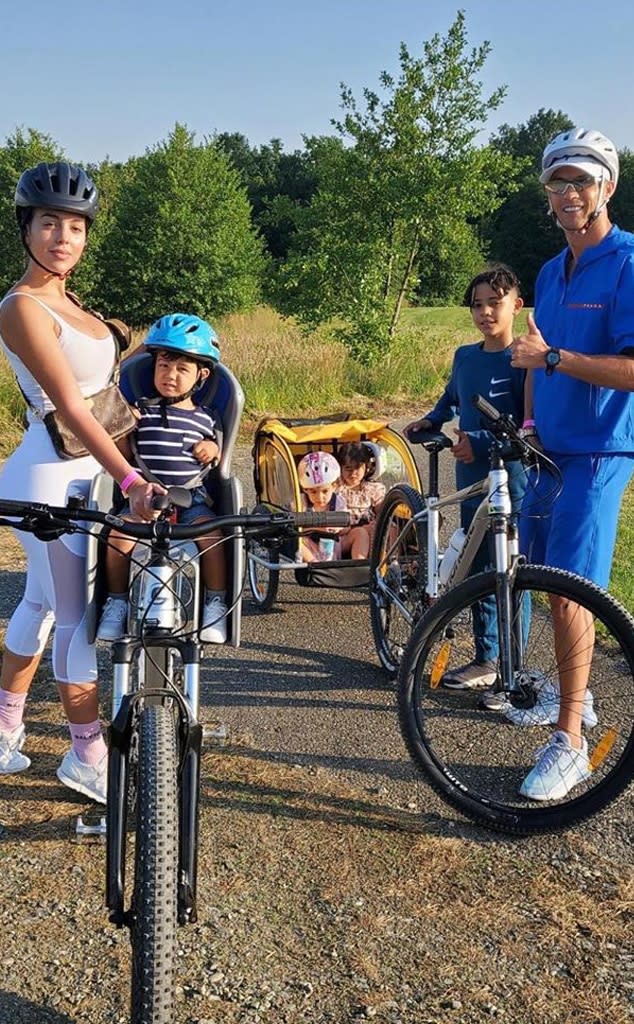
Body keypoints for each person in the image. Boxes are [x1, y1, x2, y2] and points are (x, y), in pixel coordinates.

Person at [0, 162, 164, 803]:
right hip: (51, 478)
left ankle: (5, 731)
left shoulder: (73, 303)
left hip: (84, 472)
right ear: (27, 229)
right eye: (49, 223)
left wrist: (130, 469)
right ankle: (85, 754)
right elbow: (69, 406)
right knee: (74, 618)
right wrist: (128, 479)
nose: (62, 237)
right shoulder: (21, 307)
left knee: (39, 607)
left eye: (74, 226)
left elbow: (106, 400)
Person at [509, 127, 634, 800]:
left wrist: (554, 359)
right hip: (549, 452)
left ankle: (571, 743)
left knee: (571, 591)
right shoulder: (551, 271)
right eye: (557, 183)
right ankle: (574, 698)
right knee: (542, 582)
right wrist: (528, 423)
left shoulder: (628, 262)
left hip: (599, 452)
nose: (568, 194)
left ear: (606, 187)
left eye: (581, 180)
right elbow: (534, 352)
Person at [405, 264, 527, 689]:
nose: (485, 312)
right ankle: (486, 658)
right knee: (476, 569)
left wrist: (476, 437)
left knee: (510, 572)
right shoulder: (465, 357)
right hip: (471, 478)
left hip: (511, 481)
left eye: (495, 302)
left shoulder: (523, 359)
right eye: (477, 305)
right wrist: (430, 419)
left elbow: (523, 422)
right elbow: (450, 400)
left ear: (517, 305)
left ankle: (514, 666)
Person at [96, 313, 229, 645]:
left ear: (202, 375)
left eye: (182, 369)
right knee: (118, 538)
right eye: (163, 366)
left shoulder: (206, 418)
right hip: (144, 501)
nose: (170, 375)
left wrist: (212, 448)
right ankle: (116, 601)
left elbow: (218, 455)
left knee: (212, 538)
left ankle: (215, 602)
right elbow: (125, 457)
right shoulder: (142, 411)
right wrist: (125, 427)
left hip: (190, 501)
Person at [336, 441, 386, 559]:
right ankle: (361, 565)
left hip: (369, 529)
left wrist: (378, 523)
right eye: (348, 468)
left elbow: (382, 512)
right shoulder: (336, 488)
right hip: (345, 533)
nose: (353, 473)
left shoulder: (372, 488)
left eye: (357, 468)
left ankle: (390, 561)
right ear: (340, 468)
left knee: (390, 528)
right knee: (361, 533)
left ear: (367, 467)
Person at [297, 451, 347, 562]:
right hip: (310, 545)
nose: (320, 497)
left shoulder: (338, 502)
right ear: (305, 490)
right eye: (313, 492)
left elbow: (347, 526)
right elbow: (295, 528)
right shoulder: (302, 502)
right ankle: (314, 565)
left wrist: (339, 527)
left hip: (333, 544)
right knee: (298, 540)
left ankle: (358, 563)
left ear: (334, 486)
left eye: (325, 491)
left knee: (359, 534)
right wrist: (317, 528)